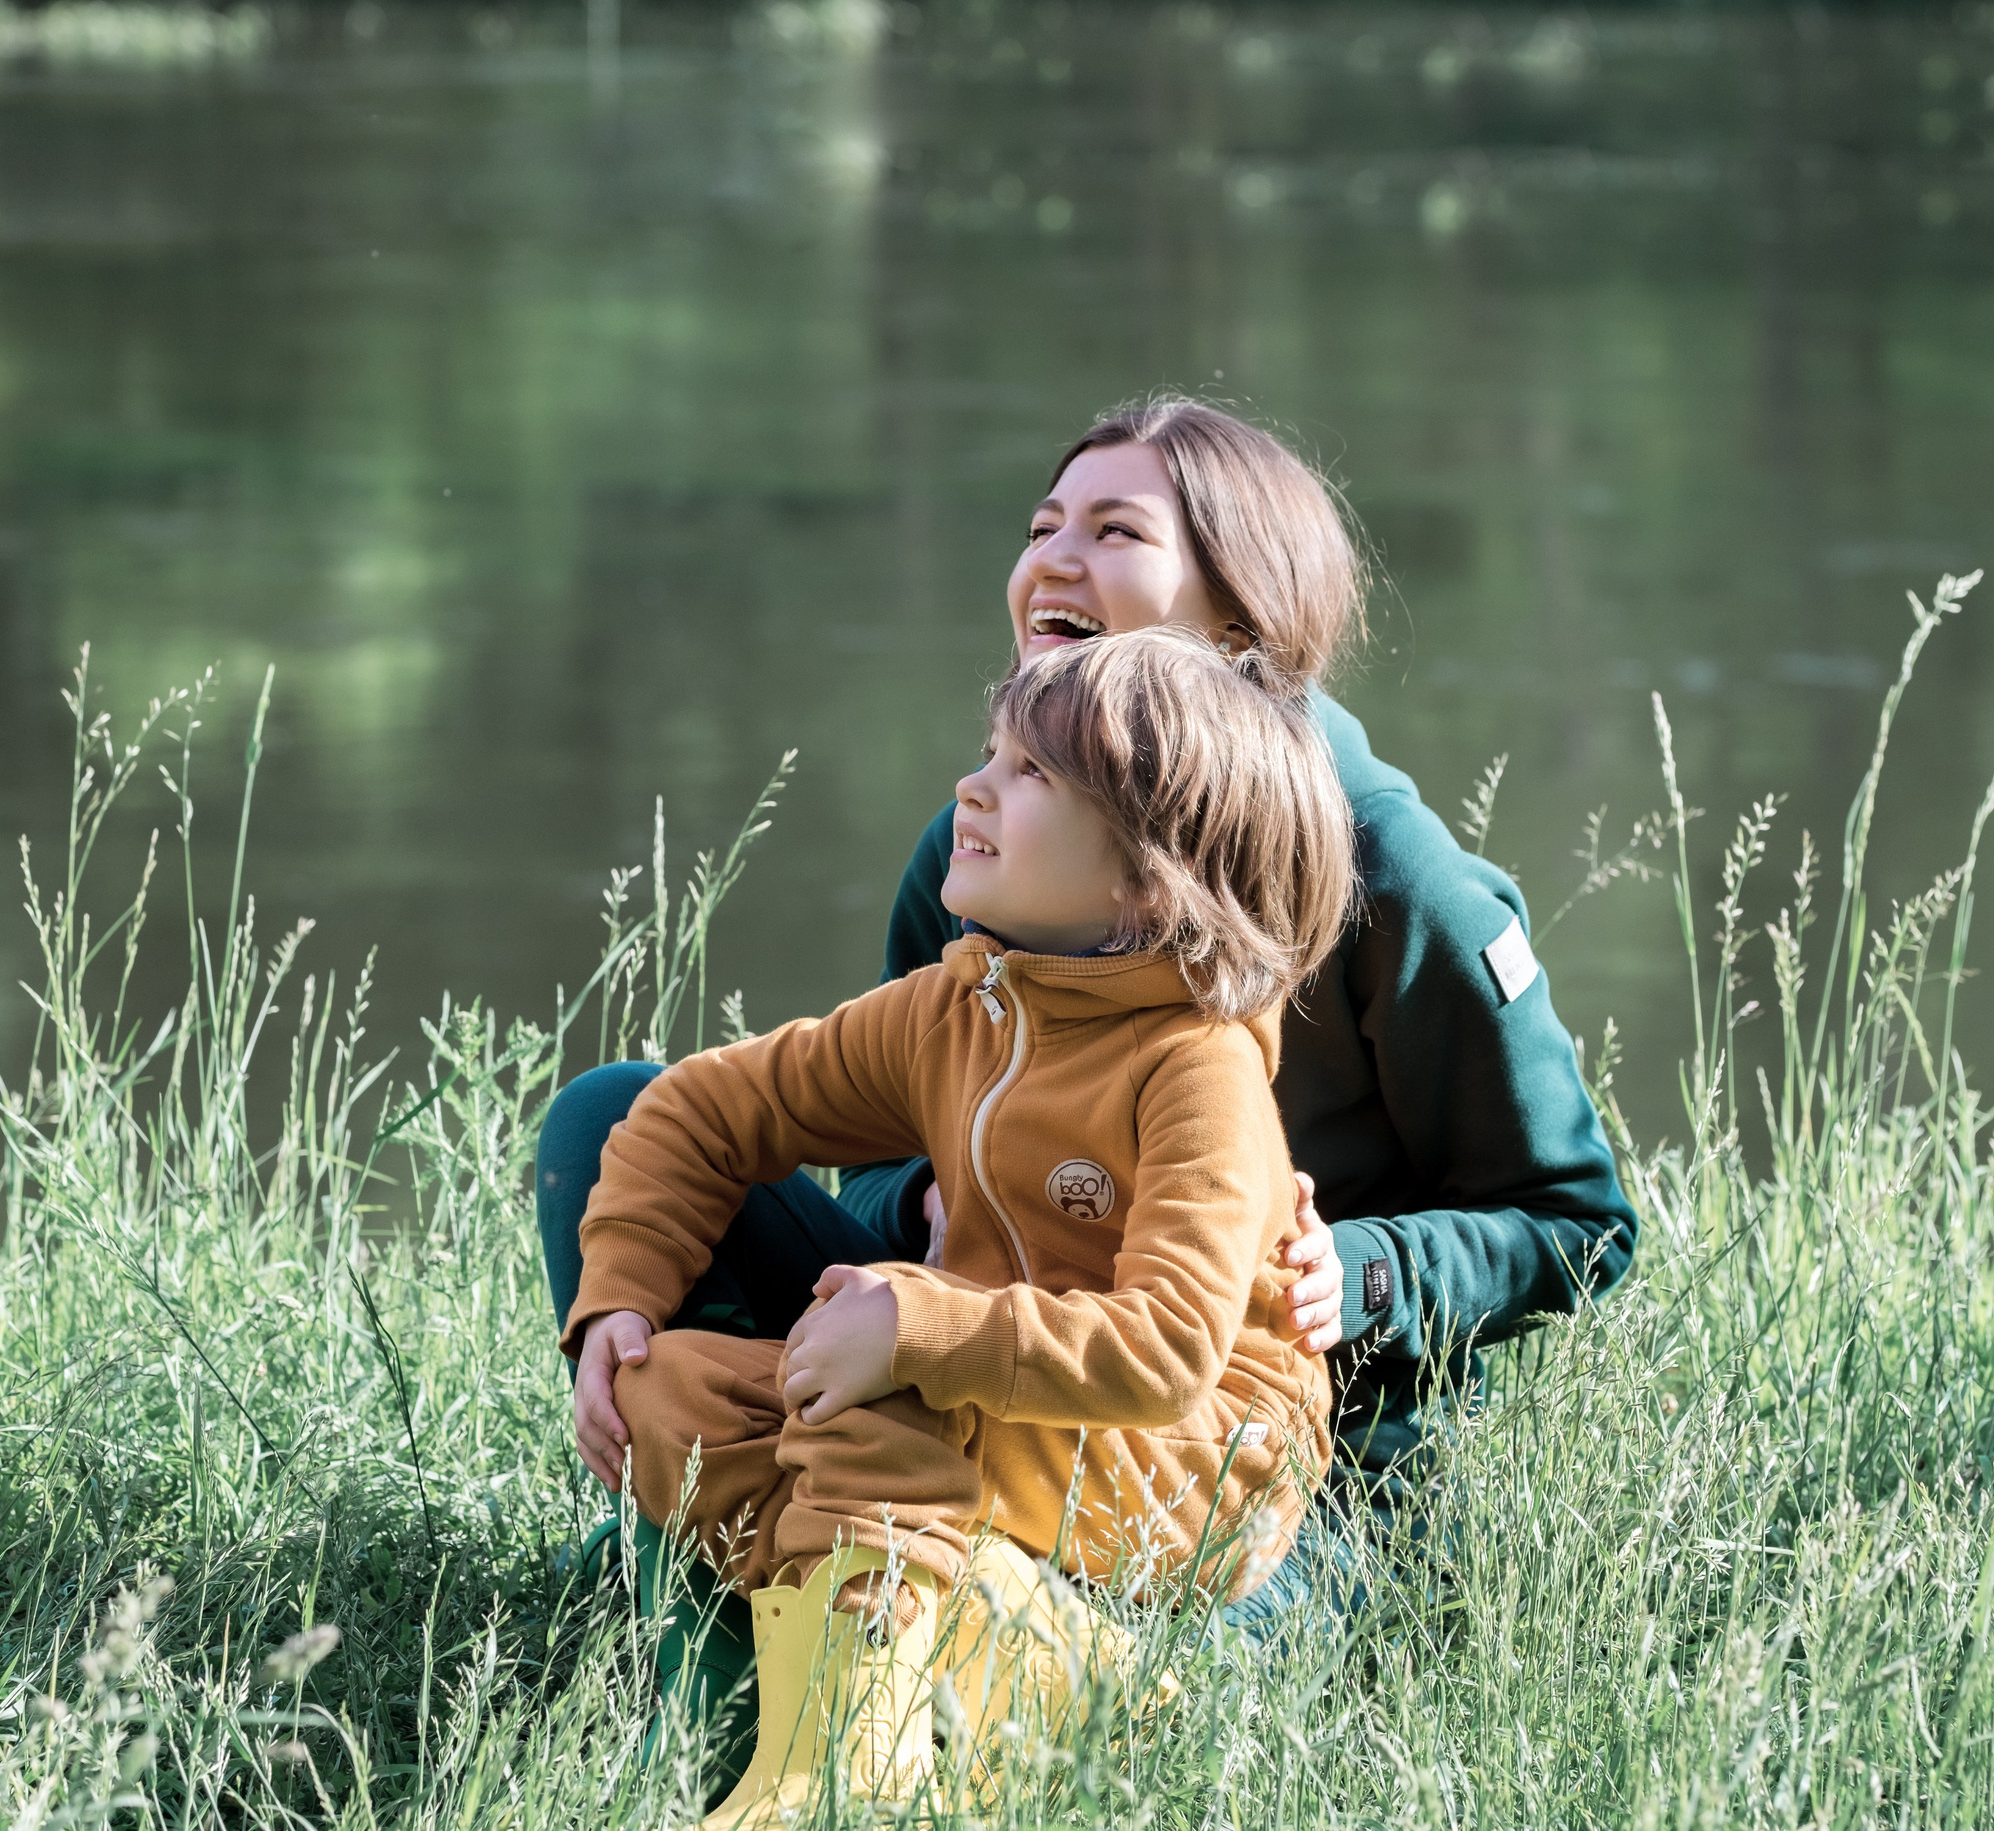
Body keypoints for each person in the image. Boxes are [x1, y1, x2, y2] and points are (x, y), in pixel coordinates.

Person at [536, 396, 1637, 1720]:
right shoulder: (995, 853)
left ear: (1244, 620)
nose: (1051, 558)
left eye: (1115, 529)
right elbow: (875, 1134)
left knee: (1154, 1695)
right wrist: (900, 1223)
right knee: (616, 1115)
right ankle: (732, 1575)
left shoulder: (1403, 882)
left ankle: (894, 1633)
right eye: (1041, 522)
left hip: (1259, 1449)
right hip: (975, 1371)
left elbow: (1579, 1220)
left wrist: (1361, 1268)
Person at [561, 630, 1355, 1827]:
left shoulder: (1197, 1066)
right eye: (988, 755)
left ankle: (839, 1767)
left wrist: (917, 1320)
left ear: (1151, 876)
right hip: (1012, 1409)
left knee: (879, 1389)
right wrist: (618, 1297)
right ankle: (1038, 1663)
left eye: (1029, 774)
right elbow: (705, 1105)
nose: (970, 788)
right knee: (672, 1393)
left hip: (1194, 1455)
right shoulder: (966, 1004)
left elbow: (1167, 1352)